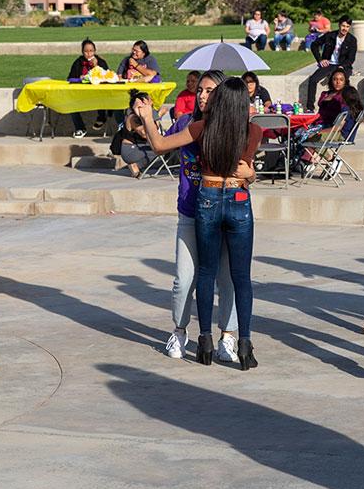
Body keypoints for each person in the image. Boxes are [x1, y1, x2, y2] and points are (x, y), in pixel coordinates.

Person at [136, 77, 265, 370]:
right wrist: (250, 173)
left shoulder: (202, 128)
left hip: (207, 198)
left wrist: (147, 117)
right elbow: (247, 168)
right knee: (240, 278)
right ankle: (243, 343)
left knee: (204, 274)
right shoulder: (254, 131)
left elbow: (158, 145)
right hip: (238, 197)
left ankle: (204, 340)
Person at [160, 69, 242, 363]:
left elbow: (248, 170)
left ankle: (228, 337)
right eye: (201, 90)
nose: (203, 95)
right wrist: (143, 116)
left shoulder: (234, 129)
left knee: (227, 279)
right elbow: (158, 144)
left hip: (223, 214)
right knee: (184, 279)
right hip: (190, 214)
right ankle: (180, 331)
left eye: (210, 91)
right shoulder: (187, 124)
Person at [303, 16, 357, 111]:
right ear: (339, 25)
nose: (345, 28)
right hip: (329, 64)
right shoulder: (330, 35)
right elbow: (314, 45)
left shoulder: (352, 40)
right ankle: (310, 108)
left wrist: (342, 66)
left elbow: (351, 58)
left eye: (347, 26)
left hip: (344, 65)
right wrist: (320, 60)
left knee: (343, 82)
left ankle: (347, 107)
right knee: (313, 79)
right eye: (343, 26)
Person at [65, 38, 110, 136]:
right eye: (86, 51)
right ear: (82, 52)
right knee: (71, 102)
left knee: (101, 96)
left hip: (98, 93)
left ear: (94, 51)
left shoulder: (101, 62)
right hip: (81, 93)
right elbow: (70, 78)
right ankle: (80, 127)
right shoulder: (78, 63)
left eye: (91, 51)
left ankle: (102, 117)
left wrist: (96, 67)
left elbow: (108, 77)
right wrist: (79, 78)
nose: (89, 54)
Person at [111, 89, 153, 177]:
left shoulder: (147, 114)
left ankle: (137, 165)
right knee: (163, 150)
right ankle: (134, 164)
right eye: (149, 100)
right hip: (131, 150)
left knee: (166, 150)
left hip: (140, 146)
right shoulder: (133, 117)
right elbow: (144, 134)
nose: (152, 102)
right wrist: (158, 116)